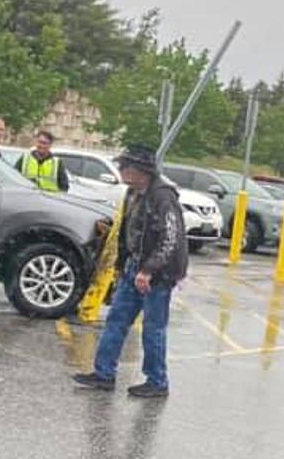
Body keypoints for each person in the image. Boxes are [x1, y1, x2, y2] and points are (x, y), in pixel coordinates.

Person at [72, 145, 187, 398]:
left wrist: (148, 270)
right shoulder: (132, 193)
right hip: (132, 268)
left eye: (126, 166)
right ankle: (104, 374)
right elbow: (128, 231)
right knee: (116, 320)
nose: (121, 170)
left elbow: (171, 238)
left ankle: (157, 381)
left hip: (158, 274)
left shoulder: (163, 196)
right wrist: (123, 266)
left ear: (140, 170)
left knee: (153, 327)